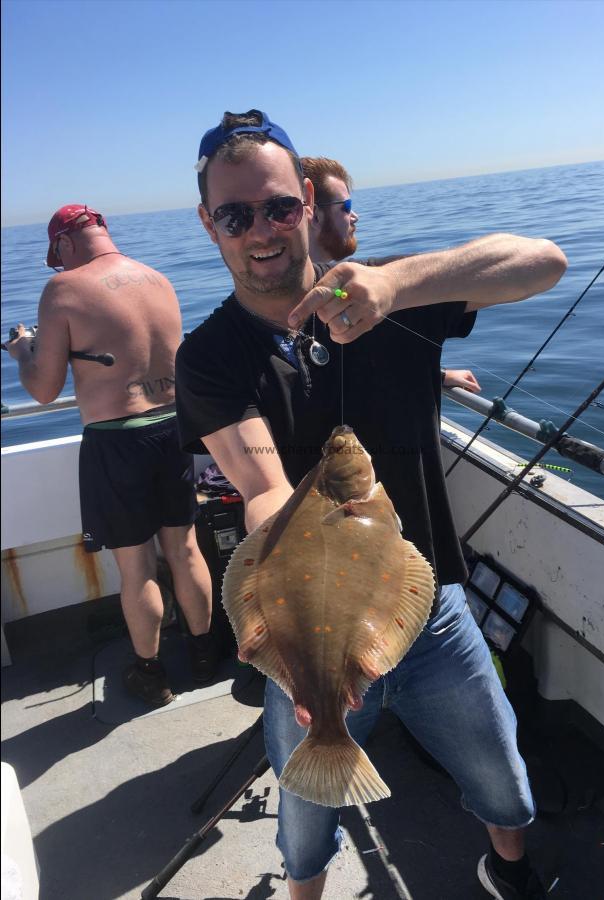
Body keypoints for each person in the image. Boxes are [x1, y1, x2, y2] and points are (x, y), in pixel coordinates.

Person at [176, 109, 568, 900]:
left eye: (280, 206)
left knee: (501, 773)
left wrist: (398, 282)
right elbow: (265, 493)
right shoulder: (210, 357)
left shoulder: (383, 292)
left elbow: (544, 262)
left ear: (310, 202)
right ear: (208, 223)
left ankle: (509, 866)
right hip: (303, 636)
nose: (261, 230)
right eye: (235, 214)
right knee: (305, 810)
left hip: (433, 613)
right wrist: (284, 629)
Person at [6, 205, 218, 708]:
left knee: (136, 566)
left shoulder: (63, 290)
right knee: (186, 550)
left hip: (117, 440)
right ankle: (207, 655)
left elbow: (43, 388)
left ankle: (151, 673)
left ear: (63, 245)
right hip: (174, 430)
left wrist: (21, 353)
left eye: (56, 257)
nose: (58, 268)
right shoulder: (158, 279)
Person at [301, 154, 482, 395]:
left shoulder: (375, 285)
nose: (355, 216)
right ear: (313, 213)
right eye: (346, 207)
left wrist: (434, 374)